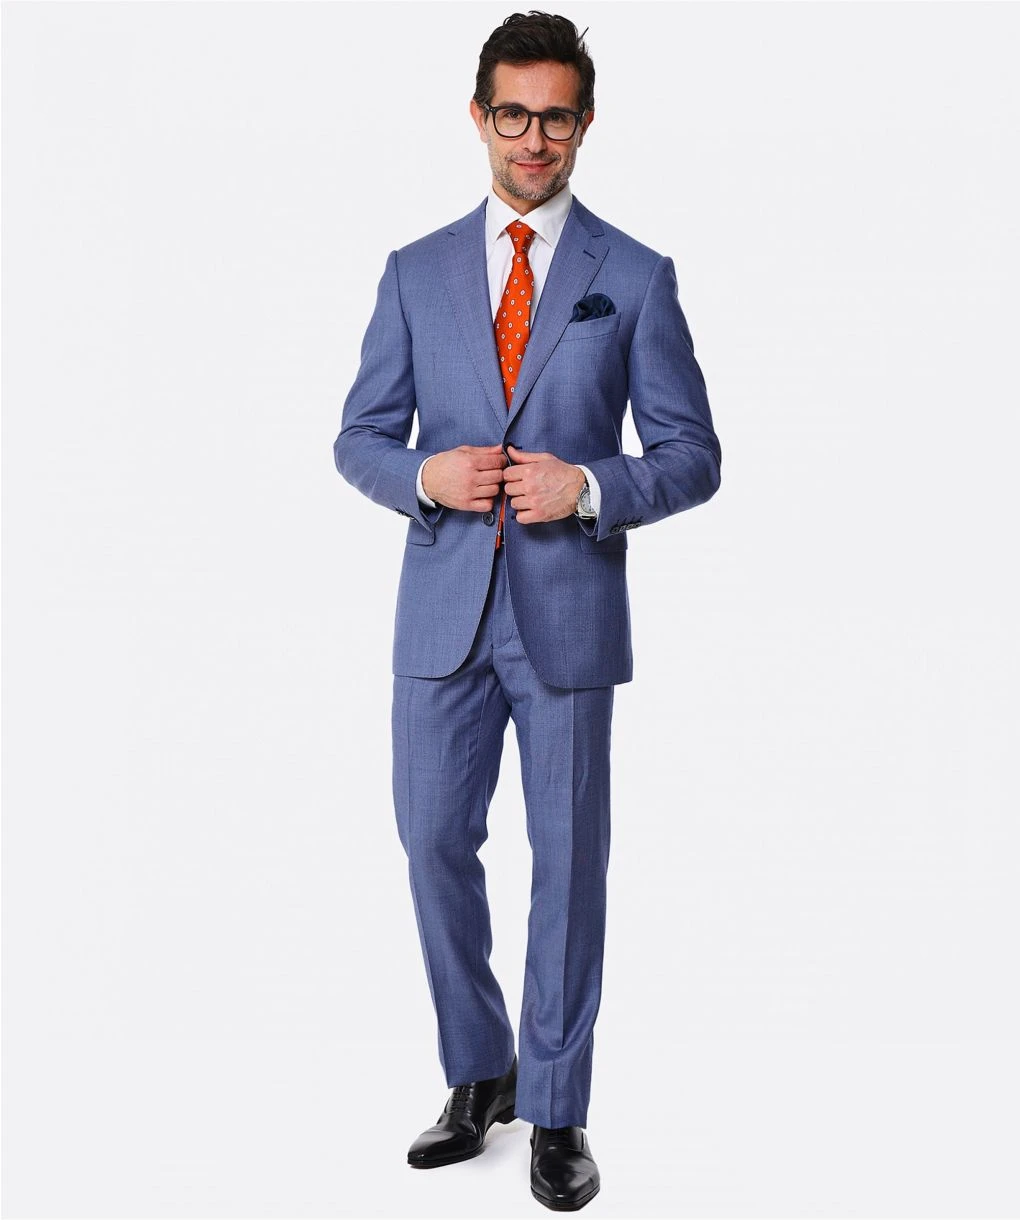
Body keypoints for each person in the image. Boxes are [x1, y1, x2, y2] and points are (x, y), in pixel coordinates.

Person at [333, 11, 721, 1211]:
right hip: (441, 612)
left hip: (567, 614)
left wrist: (590, 487)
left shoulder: (634, 276)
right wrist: (424, 474)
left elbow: (694, 454)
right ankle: (479, 1069)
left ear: (585, 122)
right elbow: (357, 437)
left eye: (556, 117)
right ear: (479, 116)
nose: (534, 138)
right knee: (431, 842)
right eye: (514, 114)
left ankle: (557, 1106)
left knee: (568, 861)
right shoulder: (414, 271)